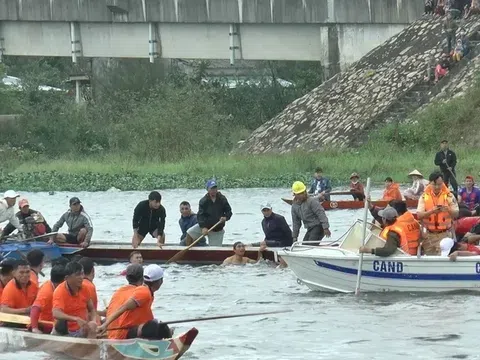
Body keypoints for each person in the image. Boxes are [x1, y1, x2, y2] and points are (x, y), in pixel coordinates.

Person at [98, 264, 171, 340]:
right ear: (159, 281)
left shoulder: (121, 290)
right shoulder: (144, 292)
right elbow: (123, 307)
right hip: (122, 334)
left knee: (157, 325)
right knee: (155, 325)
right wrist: (105, 325)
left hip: (116, 332)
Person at [417, 172, 459, 255]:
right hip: (428, 235)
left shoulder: (449, 196)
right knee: (429, 261)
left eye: (439, 184)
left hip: (445, 234)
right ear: (429, 183)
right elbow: (419, 215)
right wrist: (431, 211)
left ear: (443, 183)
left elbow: (456, 214)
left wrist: (448, 210)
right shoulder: (423, 197)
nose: (437, 187)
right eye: (434, 184)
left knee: (444, 259)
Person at [52, 261, 97, 338]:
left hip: (81, 329)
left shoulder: (85, 288)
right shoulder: (60, 291)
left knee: (92, 326)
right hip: (64, 331)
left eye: (82, 273)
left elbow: (92, 309)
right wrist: (75, 319)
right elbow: (56, 313)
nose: (81, 277)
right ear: (67, 278)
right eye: (77, 275)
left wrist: (93, 321)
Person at [185, 179, 232, 247]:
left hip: (217, 229)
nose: (214, 190)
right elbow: (200, 216)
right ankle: (189, 253)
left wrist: (225, 217)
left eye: (215, 188)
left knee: (215, 250)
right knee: (189, 233)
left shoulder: (222, 199)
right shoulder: (203, 201)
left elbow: (229, 211)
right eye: (212, 188)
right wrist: (203, 227)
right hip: (205, 227)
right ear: (207, 189)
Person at [30, 264, 66, 334]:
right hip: (47, 324)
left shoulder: (58, 287)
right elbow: (35, 308)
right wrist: (35, 328)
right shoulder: (46, 293)